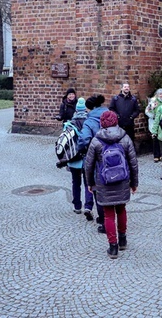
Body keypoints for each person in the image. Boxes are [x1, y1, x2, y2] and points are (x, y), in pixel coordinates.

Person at [84, 111, 139, 259]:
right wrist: (134, 183)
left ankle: (113, 247)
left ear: (102, 123)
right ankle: (122, 240)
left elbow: (88, 165)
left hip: (104, 182)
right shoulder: (125, 138)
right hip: (122, 180)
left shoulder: (96, 141)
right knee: (121, 209)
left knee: (108, 215)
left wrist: (90, 183)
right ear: (116, 122)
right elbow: (133, 163)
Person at [77, 94, 109, 233]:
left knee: (96, 188)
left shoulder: (89, 122)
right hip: (111, 158)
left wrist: (82, 149)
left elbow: (84, 140)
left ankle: (103, 219)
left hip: (95, 159)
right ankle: (111, 218)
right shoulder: (110, 117)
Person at [66, 97, 95, 221]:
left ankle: (77, 205)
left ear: (76, 110)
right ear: (85, 109)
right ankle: (88, 206)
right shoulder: (89, 122)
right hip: (87, 158)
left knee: (75, 182)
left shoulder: (69, 123)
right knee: (88, 183)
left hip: (74, 158)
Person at [145, 89, 162, 162]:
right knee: (155, 139)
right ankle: (156, 155)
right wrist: (153, 114)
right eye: (160, 94)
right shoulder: (153, 101)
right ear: (157, 95)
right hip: (154, 121)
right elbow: (147, 111)